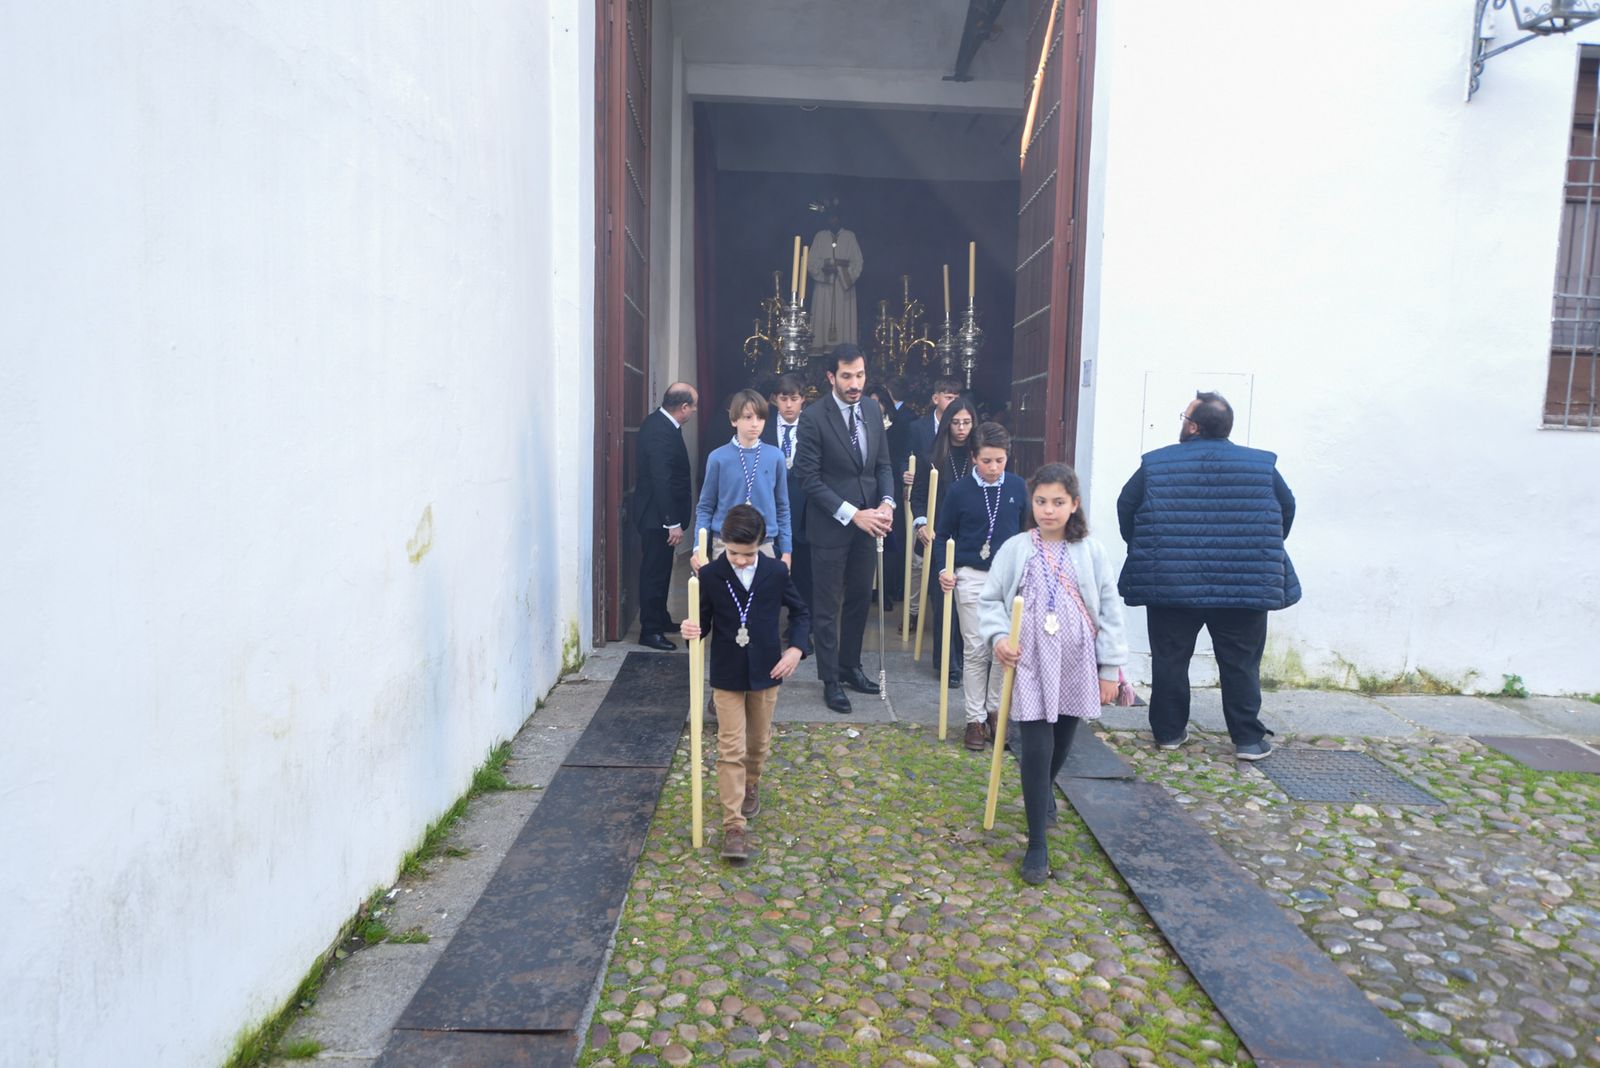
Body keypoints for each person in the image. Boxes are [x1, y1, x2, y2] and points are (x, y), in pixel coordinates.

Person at [1116, 391, 1300, 761]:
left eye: (1184, 416)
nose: (1182, 421)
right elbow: (1286, 508)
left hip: (1170, 580)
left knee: (1170, 659)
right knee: (1241, 662)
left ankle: (1168, 733)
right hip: (1244, 582)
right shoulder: (1261, 466)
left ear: (1194, 426)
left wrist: (1149, 546)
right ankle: (1247, 738)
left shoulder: (1157, 463)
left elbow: (1127, 505)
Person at [981, 463, 1128, 884]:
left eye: (1058, 502)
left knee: (1062, 739)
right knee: (1036, 745)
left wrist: (1109, 668)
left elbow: (1110, 610)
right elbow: (991, 601)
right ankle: (1036, 844)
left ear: (1074, 504)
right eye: (1041, 501)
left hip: (1075, 658)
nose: (1048, 510)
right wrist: (998, 639)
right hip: (1027, 659)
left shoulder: (1091, 551)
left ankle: (1044, 790)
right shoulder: (1015, 548)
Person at [680, 505, 810, 861]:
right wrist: (691, 630)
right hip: (727, 674)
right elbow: (702, 623)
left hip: (767, 672)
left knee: (757, 743)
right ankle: (733, 826)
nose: (739, 560)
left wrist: (796, 649)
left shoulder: (775, 572)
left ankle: (752, 782)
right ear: (723, 544)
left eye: (747, 553)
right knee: (730, 748)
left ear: (761, 545)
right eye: (734, 553)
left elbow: (800, 612)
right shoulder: (710, 576)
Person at [792, 343, 896, 715]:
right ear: (831, 377)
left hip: (870, 525)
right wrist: (853, 513)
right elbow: (808, 478)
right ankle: (830, 680)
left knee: (858, 600)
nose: (855, 383)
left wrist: (887, 503)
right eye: (847, 376)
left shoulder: (870, 408)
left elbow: (883, 464)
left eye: (860, 375)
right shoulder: (813, 417)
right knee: (826, 604)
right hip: (831, 526)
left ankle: (851, 667)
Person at [937, 422, 1028, 750]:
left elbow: (1024, 535)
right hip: (971, 576)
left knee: (1002, 650)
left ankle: (995, 712)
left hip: (1008, 579)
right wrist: (944, 569)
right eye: (987, 460)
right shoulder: (960, 491)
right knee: (976, 649)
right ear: (974, 457)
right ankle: (974, 718)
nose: (993, 468)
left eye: (1000, 461)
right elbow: (943, 534)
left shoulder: (1017, 487)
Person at [911, 396, 978, 686]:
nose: (961, 428)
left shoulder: (980, 455)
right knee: (944, 599)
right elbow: (919, 495)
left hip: (971, 536)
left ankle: (967, 660)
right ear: (947, 423)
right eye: (956, 422)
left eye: (966, 422)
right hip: (941, 534)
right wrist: (921, 523)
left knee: (970, 599)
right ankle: (946, 663)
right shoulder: (934, 455)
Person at [693, 388, 792, 569]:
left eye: (760, 418)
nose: (755, 424)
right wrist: (698, 549)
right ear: (733, 420)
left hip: (764, 542)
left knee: (764, 596)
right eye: (748, 417)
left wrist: (786, 551)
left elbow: (782, 507)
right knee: (726, 596)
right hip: (725, 543)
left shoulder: (775, 456)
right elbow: (705, 506)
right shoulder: (717, 458)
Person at [632, 382, 697, 650]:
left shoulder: (662, 423)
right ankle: (650, 630)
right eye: (693, 406)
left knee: (661, 570)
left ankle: (660, 617)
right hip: (657, 517)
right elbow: (662, 478)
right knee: (654, 573)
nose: (694, 411)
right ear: (683, 407)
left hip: (658, 515)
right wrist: (672, 521)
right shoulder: (660, 430)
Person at [904, 377, 964, 618]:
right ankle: (913, 613)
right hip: (926, 498)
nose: (952, 402)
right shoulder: (918, 428)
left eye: (956, 398)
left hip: (951, 507)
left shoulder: (964, 437)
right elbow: (905, 456)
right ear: (935, 398)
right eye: (948, 397)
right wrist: (905, 473)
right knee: (919, 562)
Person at [762, 374, 811, 648]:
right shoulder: (765, 427)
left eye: (794, 398)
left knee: (804, 574)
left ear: (803, 399)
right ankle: (766, 626)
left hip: (805, 511)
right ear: (774, 400)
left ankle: (801, 630)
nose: (789, 405)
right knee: (769, 569)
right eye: (784, 399)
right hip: (771, 511)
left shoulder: (813, 428)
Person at [806, 205, 865, 350]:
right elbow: (811, 262)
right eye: (830, 217)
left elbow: (858, 262)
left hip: (843, 286)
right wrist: (825, 270)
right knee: (821, 317)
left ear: (840, 219)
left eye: (836, 217)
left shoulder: (849, 236)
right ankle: (819, 354)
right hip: (823, 286)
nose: (833, 220)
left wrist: (840, 271)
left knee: (844, 319)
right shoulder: (820, 236)